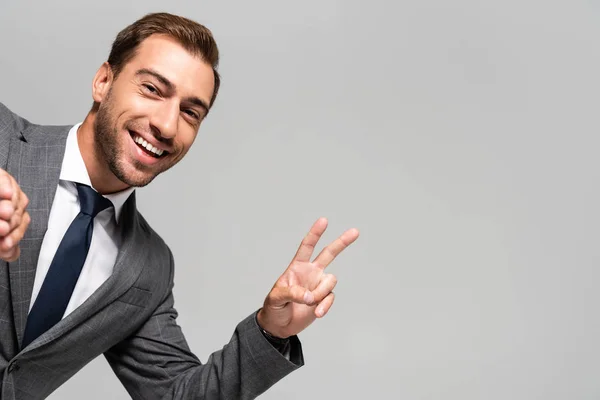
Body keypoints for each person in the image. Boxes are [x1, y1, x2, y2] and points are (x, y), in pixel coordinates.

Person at [0, 12, 359, 400]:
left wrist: (272, 330)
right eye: (153, 89)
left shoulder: (148, 268)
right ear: (103, 81)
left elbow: (178, 394)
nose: (168, 126)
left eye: (190, 112)